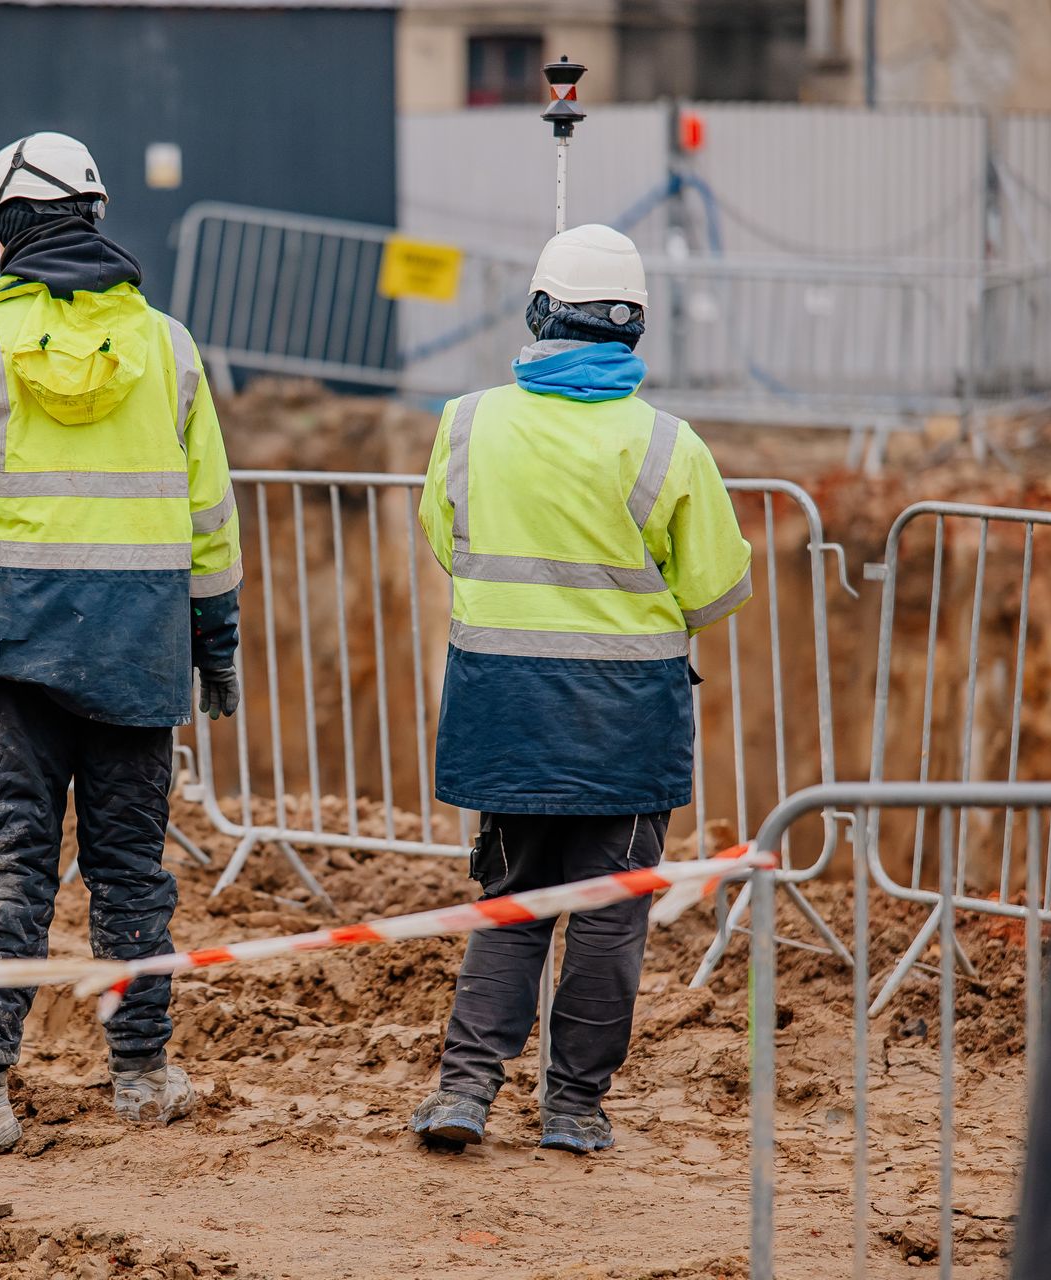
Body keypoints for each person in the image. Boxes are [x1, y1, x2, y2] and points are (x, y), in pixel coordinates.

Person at [0, 132, 242, 1153]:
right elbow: (211, 516)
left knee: (10, 866)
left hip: (8, 651)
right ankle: (143, 1076)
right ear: (95, 212)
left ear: (4, 230)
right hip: (138, 649)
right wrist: (217, 641)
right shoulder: (168, 345)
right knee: (130, 869)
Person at [407, 225, 752, 1155]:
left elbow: (449, 541)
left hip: (505, 711)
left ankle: (464, 1096)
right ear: (635, 330)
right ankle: (573, 1109)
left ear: (538, 312)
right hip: (624, 722)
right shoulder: (668, 445)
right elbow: (716, 587)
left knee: (511, 903)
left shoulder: (467, 422)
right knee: (605, 922)